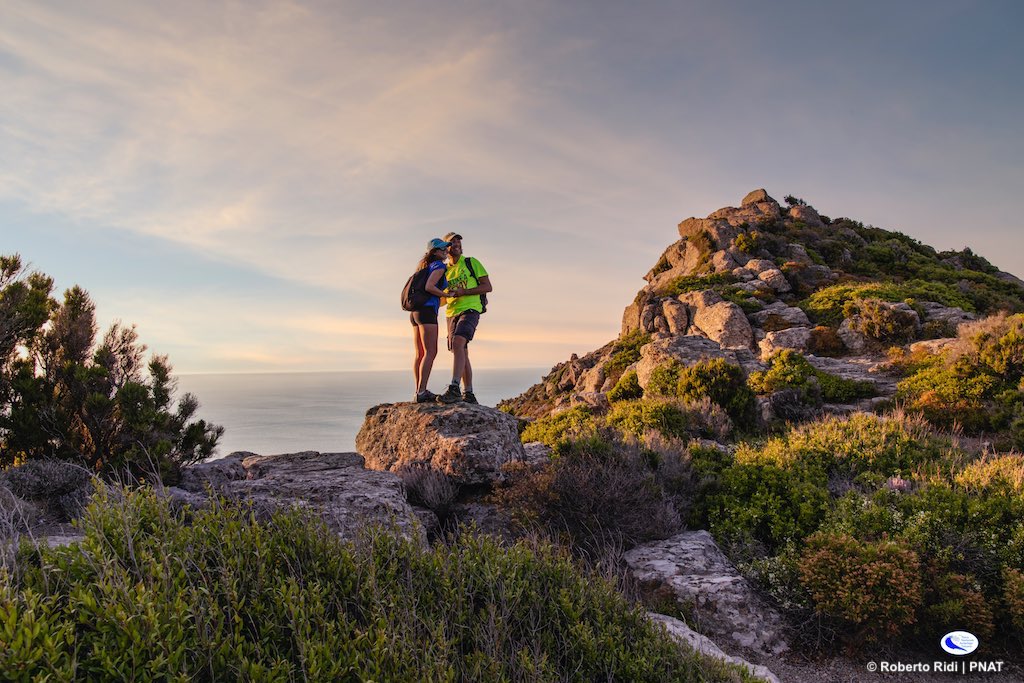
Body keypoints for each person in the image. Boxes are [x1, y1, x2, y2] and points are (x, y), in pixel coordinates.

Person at [438, 232, 491, 404]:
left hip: (470, 308)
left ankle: (454, 387)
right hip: (451, 313)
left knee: (458, 342)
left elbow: (487, 286)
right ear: (445, 248)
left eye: (458, 242)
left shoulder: (470, 262)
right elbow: (442, 300)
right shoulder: (444, 271)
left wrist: (464, 292)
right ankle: (469, 393)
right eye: (452, 242)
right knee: (460, 350)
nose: (456, 244)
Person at [410, 238, 450, 403]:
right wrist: (446, 294)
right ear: (435, 252)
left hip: (415, 313)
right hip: (427, 312)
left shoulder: (423, 266)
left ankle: (418, 391)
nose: (446, 251)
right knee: (431, 351)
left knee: (420, 353)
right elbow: (429, 286)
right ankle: (422, 391)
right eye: (443, 249)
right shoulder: (439, 266)